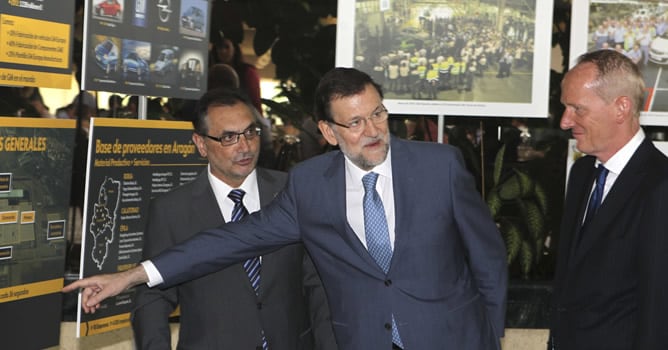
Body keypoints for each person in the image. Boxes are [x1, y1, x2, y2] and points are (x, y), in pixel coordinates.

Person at [63, 67, 508, 350]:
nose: (372, 131)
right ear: (328, 132)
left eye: (378, 114)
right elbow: (231, 239)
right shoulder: (311, 186)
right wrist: (132, 274)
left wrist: (491, 335)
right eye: (354, 123)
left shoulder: (439, 166)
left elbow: (487, 256)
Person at [131, 88, 336, 349]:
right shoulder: (172, 211)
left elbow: (318, 282)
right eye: (229, 137)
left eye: (250, 132)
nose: (245, 146)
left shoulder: (292, 192)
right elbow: (152, 298)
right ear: (201, 144)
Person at [549, 49, 668, 349]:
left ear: (621, 108)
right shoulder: (582, 173)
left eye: (578, 108)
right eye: (565, 108)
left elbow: (658, 308)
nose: (565, 121)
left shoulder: (660, 185)